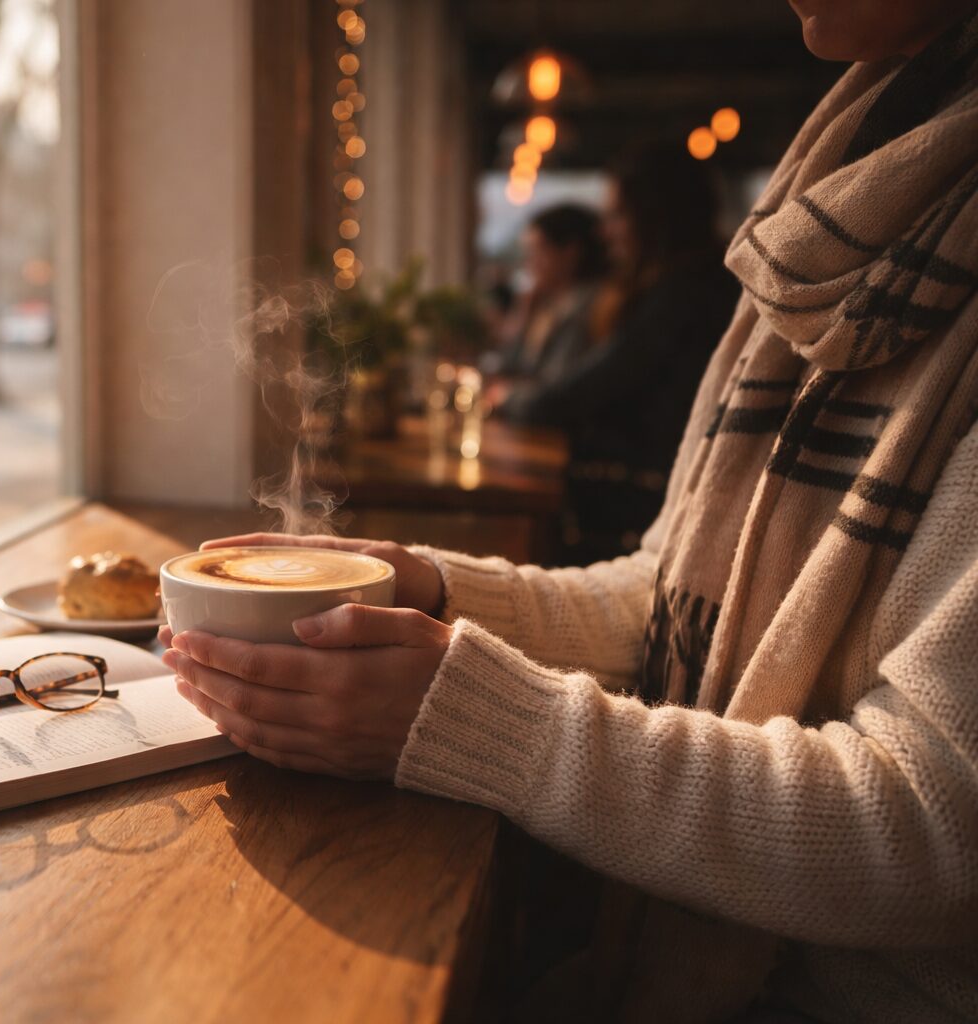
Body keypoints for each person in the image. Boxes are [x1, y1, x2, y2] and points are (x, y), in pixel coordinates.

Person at [163, 3, 978, 1021]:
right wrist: (433, 584)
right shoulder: (833, 210)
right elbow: (671, 594)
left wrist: (470, 719)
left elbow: (936, 828)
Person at [498, 147, 740, 565]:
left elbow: (581, 390)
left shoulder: (684, 294)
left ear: (657, 217)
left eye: (617, 216)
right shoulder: (692, 286)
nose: (605, 231)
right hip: (663, 497)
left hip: (651, 509)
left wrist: (507, 401)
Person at [495, 203, 609, 386]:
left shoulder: (585, 307)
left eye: (537, 252)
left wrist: (506, 396)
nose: (530, 264)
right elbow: (510, 365)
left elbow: (555, 385)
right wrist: (523, 311)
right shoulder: (550, 305)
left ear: (570, 253)